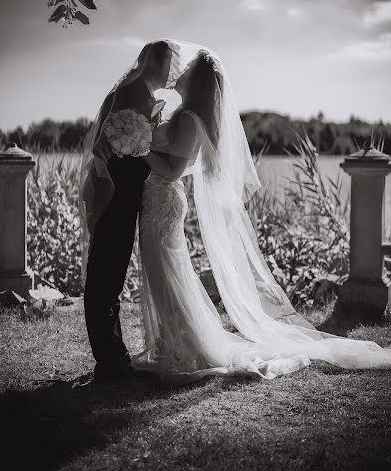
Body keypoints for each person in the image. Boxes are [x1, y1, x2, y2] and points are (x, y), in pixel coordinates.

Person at [128, 40, 391, 385]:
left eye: (188, 70)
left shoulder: (190, 118)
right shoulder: (185, 114)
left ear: (200, 81)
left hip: (163, 200)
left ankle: (183, 347)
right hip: (159, 199)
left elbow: (174, 170)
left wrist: (141, 146)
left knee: (168, 274)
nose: (181, 71)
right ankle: (172, 343)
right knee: (167, 273)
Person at [79, 39, 180, 383]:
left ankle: (113, 357)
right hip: (117, 195)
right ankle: (109, 361)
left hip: (131, 195)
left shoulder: (144, 95)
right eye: (170, 63)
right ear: (154, 63)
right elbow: (102, 147)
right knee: (105, 275)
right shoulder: (129, 92)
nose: (174, 71)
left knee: (112, 274)